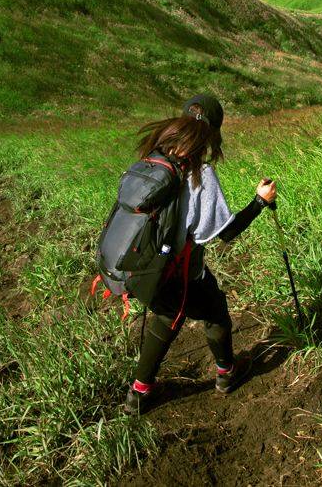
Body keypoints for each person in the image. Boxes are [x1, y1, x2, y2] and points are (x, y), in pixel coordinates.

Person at [122, 94, 276, 415]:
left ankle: (138, 394)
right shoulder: (199, 175)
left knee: (166, 318)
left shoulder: (153, 157)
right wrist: (259, 201)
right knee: (215, 312)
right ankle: (226, 374)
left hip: (144, 263)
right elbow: (225, 233)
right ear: (212, 134)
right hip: (180, 272)